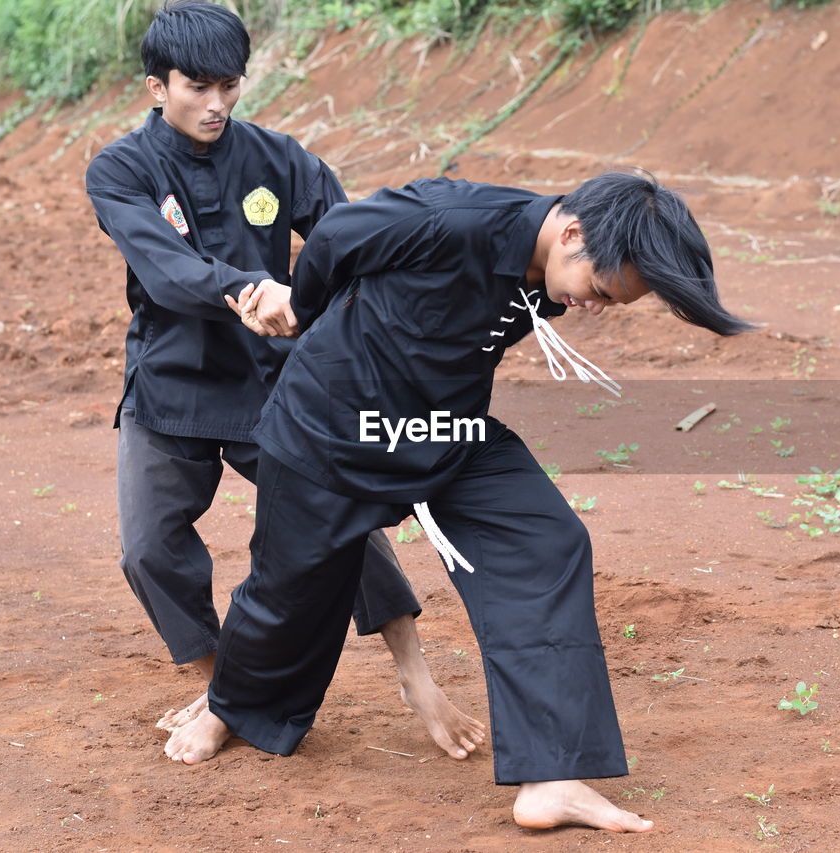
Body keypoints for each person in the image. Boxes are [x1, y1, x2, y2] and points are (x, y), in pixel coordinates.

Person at [165, 171, 753, 832]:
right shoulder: (448, 217)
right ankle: (229, 704)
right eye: (600, 292)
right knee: (290, 593)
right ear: (571, 232)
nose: (595, 307)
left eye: (614, 302)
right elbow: (335, 235)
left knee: (545, 540)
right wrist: (309, 309)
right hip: (331, 426)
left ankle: (551, 775)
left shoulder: (550, 270)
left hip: (445, 431)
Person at [83, 0, 483, 761]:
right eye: (197, 87)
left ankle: (416, 677)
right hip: (172, 381)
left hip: (282, 384)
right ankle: (218, 684)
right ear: (154, 88)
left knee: (348, 520)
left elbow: (350, 238)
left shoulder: (278, 158)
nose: (217, 104)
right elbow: (167, 273)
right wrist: (253, 290)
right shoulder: (120, 170)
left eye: (229, 85)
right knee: (149, 548)